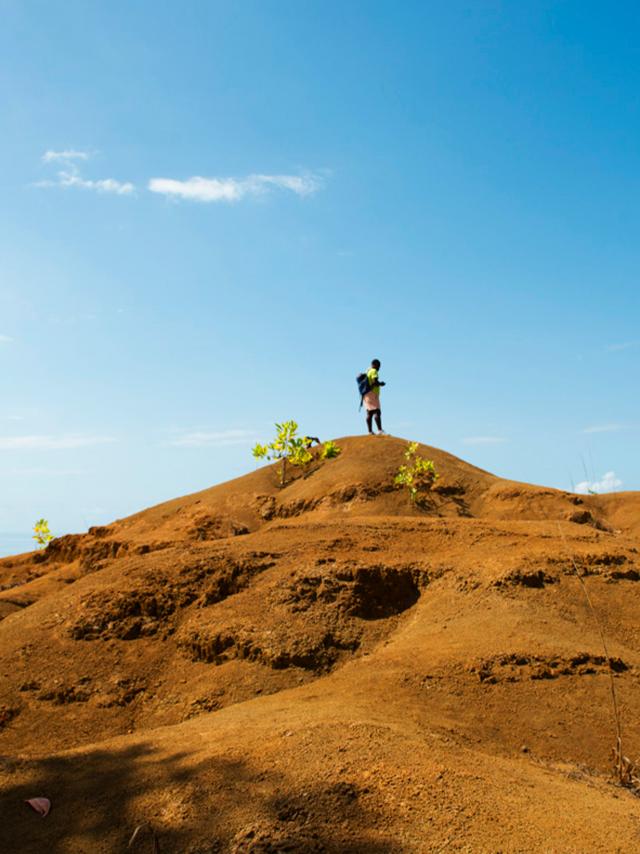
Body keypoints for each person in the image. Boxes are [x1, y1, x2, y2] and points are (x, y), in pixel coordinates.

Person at [363, 359, 386, 435]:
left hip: (365, 394)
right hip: (372, 393)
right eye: (379, 366)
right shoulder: (373, 371)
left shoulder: (367, 371)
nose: (379, 368)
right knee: (377, 411)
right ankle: (379, 430)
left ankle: (370, 431)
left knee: (369, 413)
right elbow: (374, 382)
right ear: (376, 365)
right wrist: (381, 384)